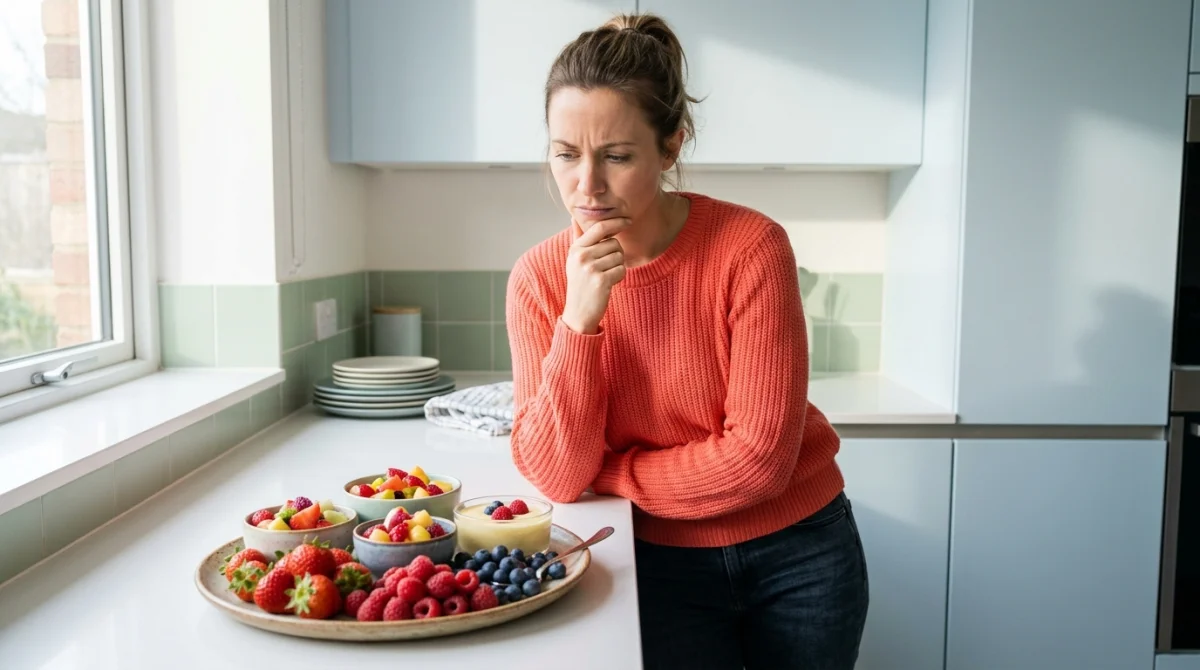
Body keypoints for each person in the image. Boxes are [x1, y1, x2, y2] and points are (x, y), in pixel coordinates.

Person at [504, 12, 869, 670]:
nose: (586, 184)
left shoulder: (750, 248)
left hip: (802, 555)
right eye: (565, 154)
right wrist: (579, 321)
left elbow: (758, 460)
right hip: (655, 567)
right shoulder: (539, 279)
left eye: (617, 156)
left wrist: (609, 474)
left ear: (671, 146)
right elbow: (556, 474)